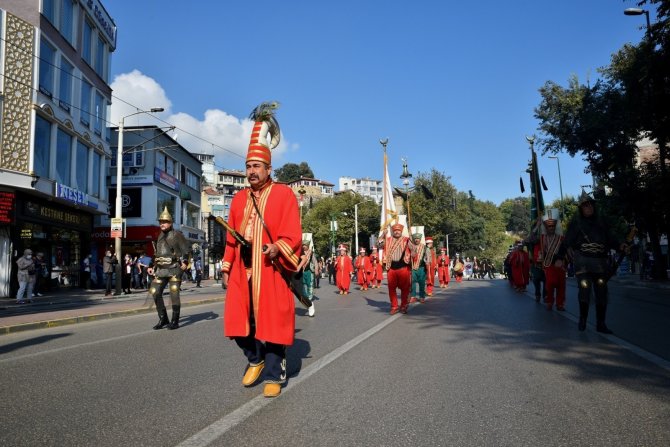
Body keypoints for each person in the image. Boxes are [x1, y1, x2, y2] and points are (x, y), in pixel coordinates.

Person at [222, 101, 302, 398]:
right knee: (237, 324)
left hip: (271, 269)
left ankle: (273, 374)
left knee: (271, 325)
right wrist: (227, 265)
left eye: (256, 166)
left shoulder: (283, 195)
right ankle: (254, 358)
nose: (251, 171)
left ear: (269, 168)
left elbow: (292, 233)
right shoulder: (239, 199)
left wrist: (277, 247)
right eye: (248, 166)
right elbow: (232, 237)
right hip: (243, 272)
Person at [564, 191, 625, 333]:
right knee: (584, 289)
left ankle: (601, 324)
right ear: (581, 208)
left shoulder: (602, 223)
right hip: (583, 262)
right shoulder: (576, 224)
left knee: (601, 291)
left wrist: (620, 245)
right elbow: (567, 242)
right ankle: (583, 319)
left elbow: (611, 239)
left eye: (590, 205)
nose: (589, 207)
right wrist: (566, 251)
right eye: (585, 205)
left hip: (600, 263)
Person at [147, 207, 191, 330]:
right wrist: (151, 266)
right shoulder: (159, 236)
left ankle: (175, 321)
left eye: (165, 222)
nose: (162, 224)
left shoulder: (177, 235)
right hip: (160, 269)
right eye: (160, 221)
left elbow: (187, 250)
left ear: (171, 223)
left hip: (174, 269)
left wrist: (186, 261)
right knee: (155, 292)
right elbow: (157, 253)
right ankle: (163, 318)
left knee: (174, 294)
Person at [381, 223, 415, 314]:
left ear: (401, 231)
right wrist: (383, 234)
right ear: (393, 231)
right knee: (391, 289)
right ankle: (394, 306)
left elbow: (414, 251)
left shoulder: (406, 240)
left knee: (405, 288)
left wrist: (413, 251)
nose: (396, 232)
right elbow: (378, 244)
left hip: (403, 267)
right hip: (391, 268)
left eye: (398, 230)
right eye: (395, 230)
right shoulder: (388, 240)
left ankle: (403, 306)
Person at [410, 233, 427, 303]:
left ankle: (422, 296)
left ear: (420, 239)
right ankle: (413, 296)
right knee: (412, 283)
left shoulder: (424, 247)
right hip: (413, 267)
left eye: (418, 239)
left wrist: (427, 260)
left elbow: (428, 257)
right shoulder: (411, 247)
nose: (417, 240)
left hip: (421, 267)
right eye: (415, 239)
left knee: (422, 282)